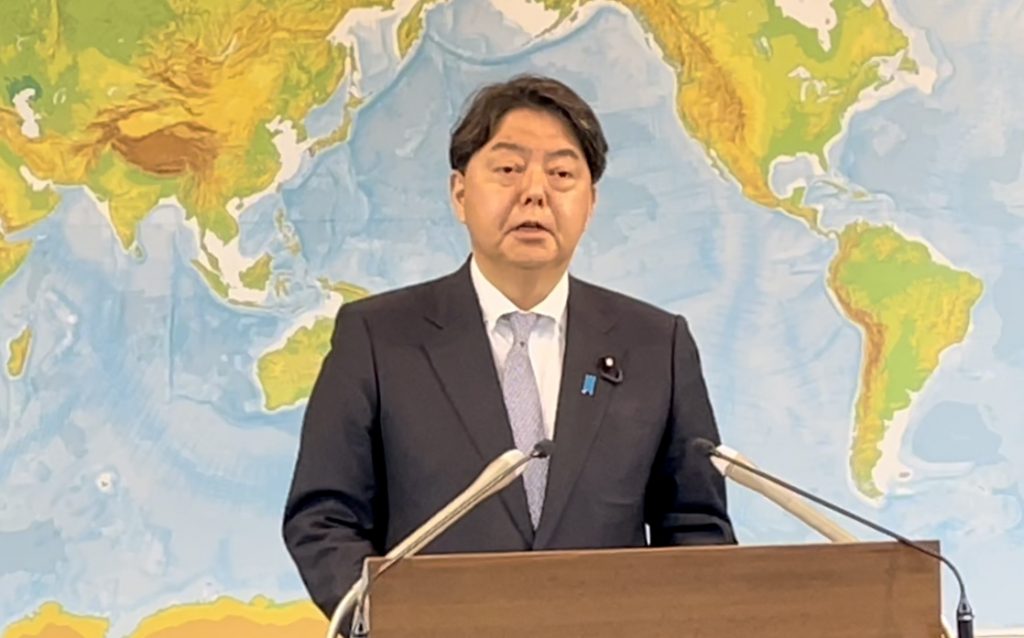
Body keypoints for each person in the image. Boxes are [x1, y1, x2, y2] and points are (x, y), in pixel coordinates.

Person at [282, 73, 735, 619]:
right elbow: (324, 518)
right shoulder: (378, 336)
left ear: (590, 203)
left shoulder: (655, 344)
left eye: (562, 173)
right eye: (508, 168)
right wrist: (389, 620)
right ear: (460, 193)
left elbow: (695, 527)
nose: (535, 192)